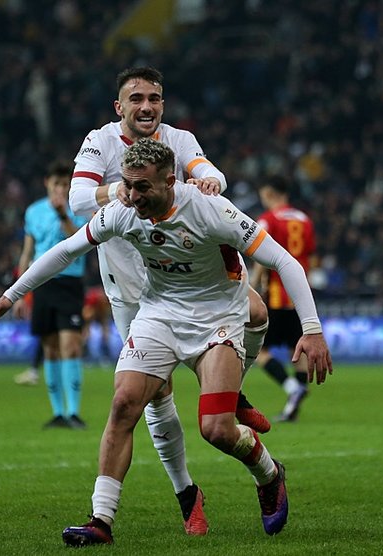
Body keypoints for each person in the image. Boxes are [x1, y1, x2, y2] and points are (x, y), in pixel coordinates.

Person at [0, 139, 333, 545]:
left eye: (142, 187)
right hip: (159, 315)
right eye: (127, 185)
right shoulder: (123, 210)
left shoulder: (209, 209)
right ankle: (101, 519)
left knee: (216, 430)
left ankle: (270, 475)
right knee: (124, 403)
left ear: (170, 181)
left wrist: (312, 329)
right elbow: (65, 251)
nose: (132, 195)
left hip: (218, 318)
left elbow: (283, 260)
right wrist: (9, 297)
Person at [66, 66, 270, 534]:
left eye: (154, 99)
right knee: (153, 397)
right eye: (136, 98)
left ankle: (231, 385)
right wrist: (123, 190)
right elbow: (79, 199)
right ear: (120, 107)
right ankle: (185, 491)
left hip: (189, 280)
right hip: (133, 291)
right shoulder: (100, 142)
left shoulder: (178, 139)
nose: (146, 107)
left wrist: (211, 181)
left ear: (163, 104)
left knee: (257, 310)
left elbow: (206, 168)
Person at [12, 160, 90, 429]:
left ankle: (74, 411)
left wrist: (62, 215)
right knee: (51, 348)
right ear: (47, 183)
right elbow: (27, 253)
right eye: (57, 183)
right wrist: (20, 293)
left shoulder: (77, 209)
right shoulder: (33, 212)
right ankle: (58, 413)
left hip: (70, 282)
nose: (61, 188)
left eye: (65, 184)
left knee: (71, 345)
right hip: (43, 282)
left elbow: (80, 241)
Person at [250, 176, 318, 422]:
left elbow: (260, 257)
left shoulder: (268, 220)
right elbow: (309, 256)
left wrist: (253, 288)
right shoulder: (305, 220)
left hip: (277, 295)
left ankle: (292, 389)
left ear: (268, 192)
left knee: (258, 351)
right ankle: (293, 409)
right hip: (299, 297)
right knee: (296, 350)